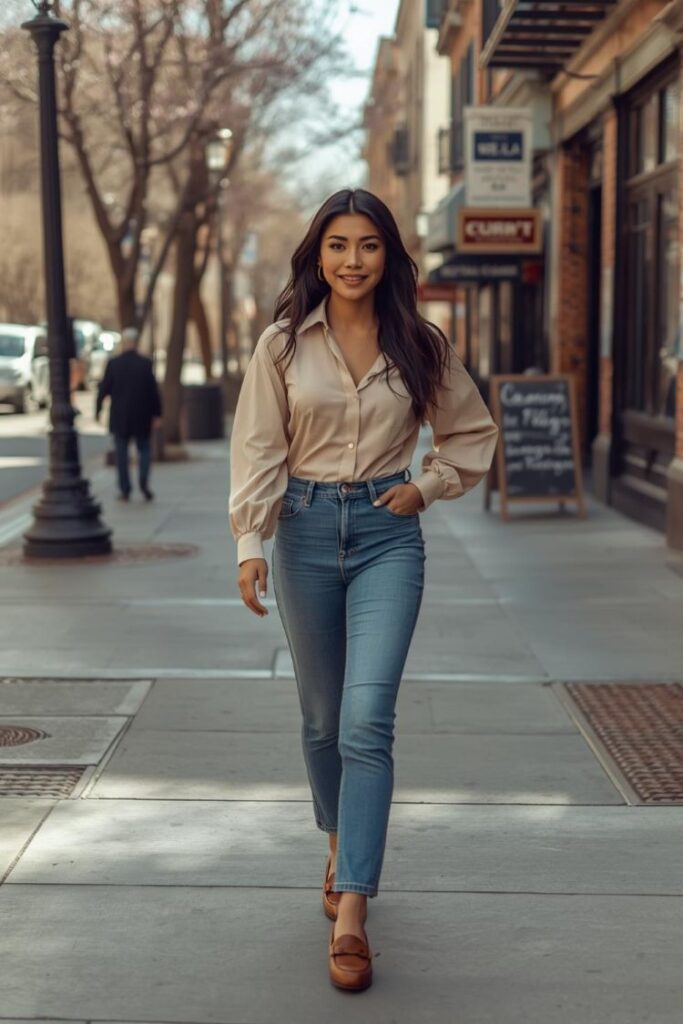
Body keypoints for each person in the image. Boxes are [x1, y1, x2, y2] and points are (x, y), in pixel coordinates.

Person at [229, 189, 499, 992]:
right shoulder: (280, 346)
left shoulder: (421, 343)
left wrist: (429, 485)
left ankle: (352, 905)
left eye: (369, 245)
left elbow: (471, 431)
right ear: (318, 254)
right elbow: (257, 447)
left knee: (365, 719)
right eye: (339, 245)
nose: (353, 260)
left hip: (388, 535)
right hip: (305, 532)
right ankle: (338, 838)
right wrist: (251, 540)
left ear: (391, 257)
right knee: (320, 720)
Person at [96, 327, 162, 502]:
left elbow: (103, 389)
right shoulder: (145, 364)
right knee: (144, 449)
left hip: (120, 417)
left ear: (124, 344)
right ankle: (143, 480)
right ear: (136, 343)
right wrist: (157, 414)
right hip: (142, 416)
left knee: (122, 454)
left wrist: (98, 409)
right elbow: (153, 392)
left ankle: (125, 488)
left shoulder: (114, 364)